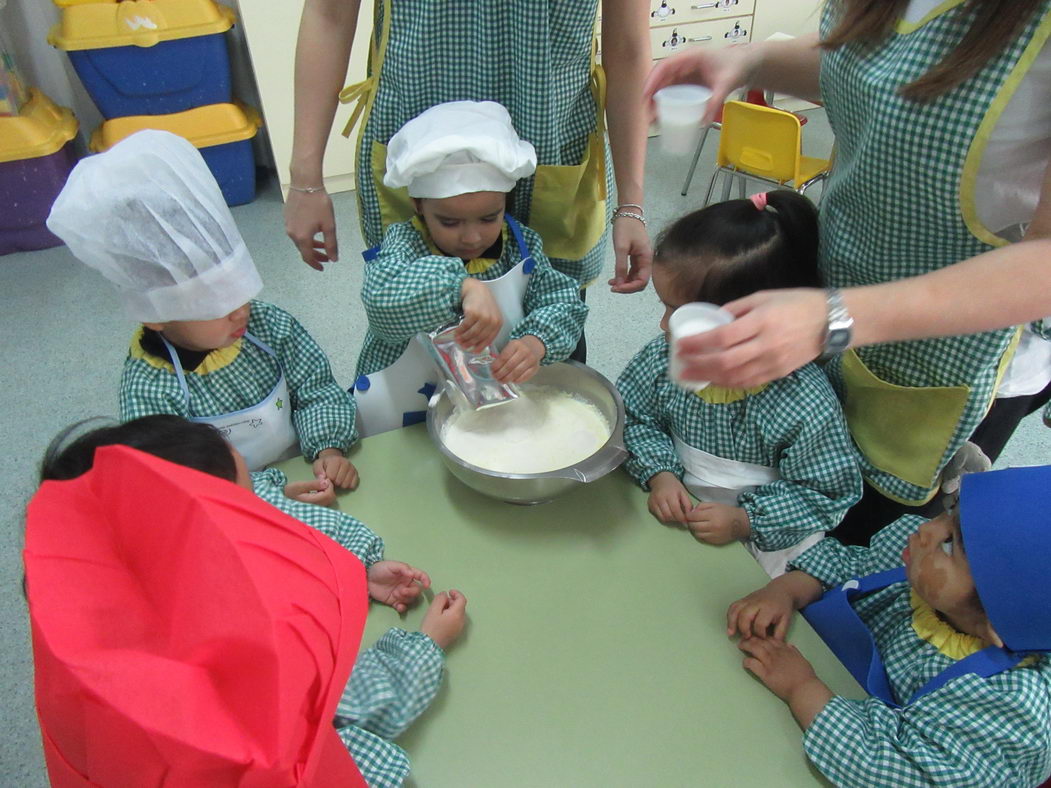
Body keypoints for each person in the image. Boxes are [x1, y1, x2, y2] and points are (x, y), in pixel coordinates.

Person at [643, 0, 1051, 543]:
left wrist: (838, 317)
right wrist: (746, 61)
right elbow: (877, 72)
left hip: (948, 359)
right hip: (831, 303)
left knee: (859, 545)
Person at [34, 416, 468, 787]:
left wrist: (360, 568)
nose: (264, 520)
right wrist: (425, 646)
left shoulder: (91, 589)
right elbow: (345, 712)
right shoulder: (240, 679)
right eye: (249, 515)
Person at [46, 130, 360, 494]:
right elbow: (182, 481)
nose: (240, 311)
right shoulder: (150, 391)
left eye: (240, 290)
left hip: (304, 466)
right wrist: (271, 495)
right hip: (230, 504)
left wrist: (328, 448)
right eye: (216, 305)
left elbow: (316, 390)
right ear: (155, 314)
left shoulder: (271, 326)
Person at [283, 0, 653, 302]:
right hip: (417, 149)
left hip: (550, 147)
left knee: (548, 334)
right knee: (418, 327)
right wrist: (305, 181)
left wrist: (632, 203)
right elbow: (329, 15)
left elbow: (628, 47)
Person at [726, 466, 1051, 787]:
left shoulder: (1007, 708)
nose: (927, 531)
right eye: (951, 510)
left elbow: (896, 770)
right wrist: (785, 591)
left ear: (999, 618)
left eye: (950, 543)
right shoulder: (911, 559)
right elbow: (844, 565)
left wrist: (802, 687)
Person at [617, 192, 861, 577]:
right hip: (675, 519)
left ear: (754, 321)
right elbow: (632, 416)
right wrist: (660, 474)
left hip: (765, 544)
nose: (665, 327)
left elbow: (825, 492)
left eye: (680, 315)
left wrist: (744, 521)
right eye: (664, 307)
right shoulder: (664, 358)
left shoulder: (802, 400)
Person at [357, 101, 587, 393]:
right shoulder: (404, 244)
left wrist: (535, 341)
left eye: (489, 218)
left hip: (495, 389)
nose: (472, 238)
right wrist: (461, 286)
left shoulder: (521, 245)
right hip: (409, 401)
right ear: (418, 205)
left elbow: (562, 301)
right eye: (450, 222)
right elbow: (380, 306)